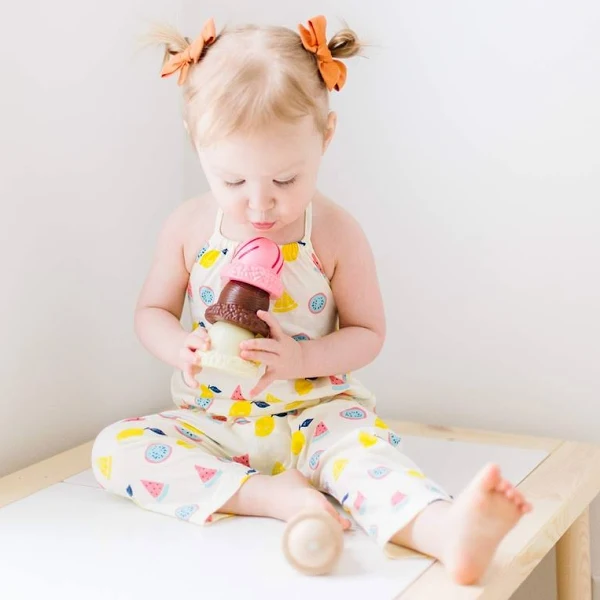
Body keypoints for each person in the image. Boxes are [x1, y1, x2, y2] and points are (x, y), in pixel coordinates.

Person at [92, 15, 531, 584]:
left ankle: (442, 529)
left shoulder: (333, 234)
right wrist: (180, 347)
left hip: (316, 415)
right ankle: (270, 496)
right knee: (115, 449)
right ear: (194, 140)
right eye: (233, 181)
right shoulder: (187, 228)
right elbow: (151, 313)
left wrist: (301, 359)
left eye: (285, 180)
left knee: (366, 458)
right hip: (212, 422)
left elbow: (368, 333)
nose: (259, 204)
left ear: (326, 136)